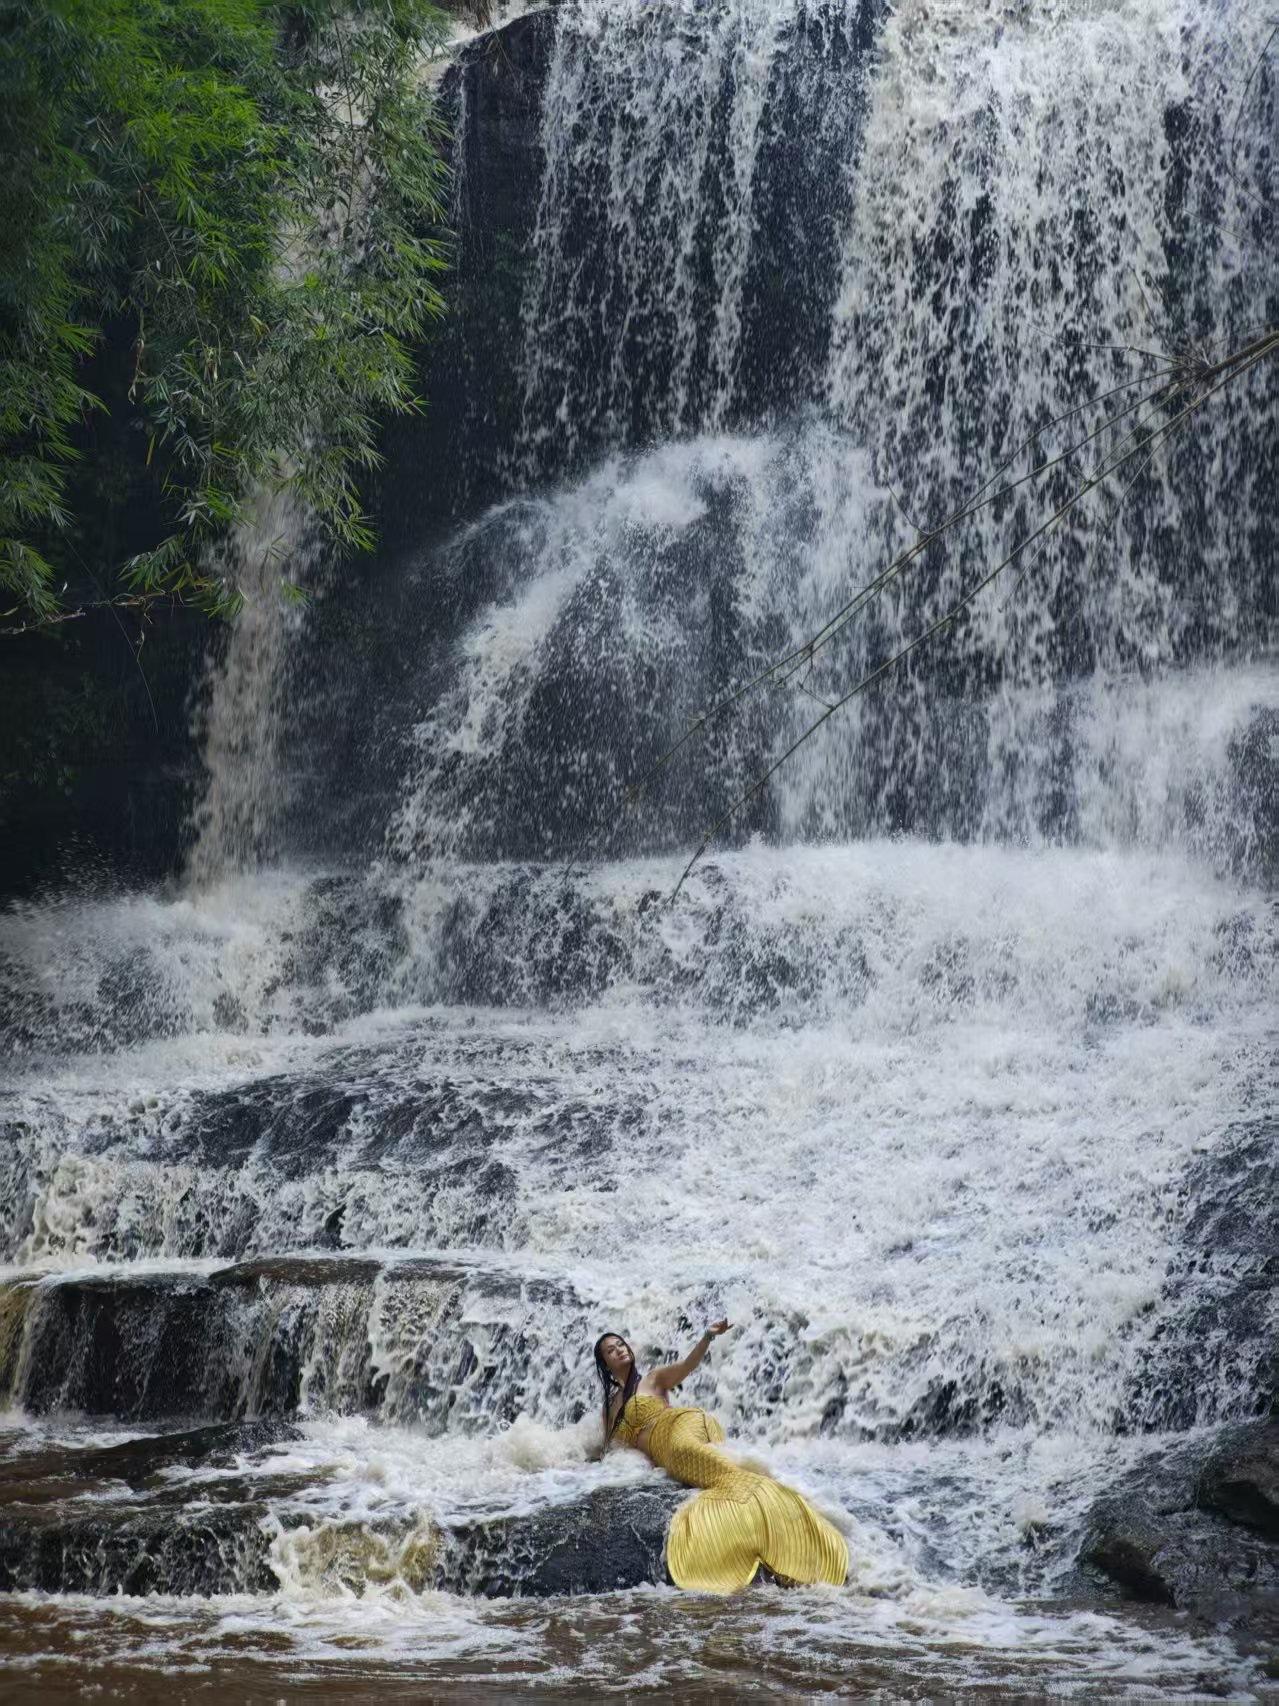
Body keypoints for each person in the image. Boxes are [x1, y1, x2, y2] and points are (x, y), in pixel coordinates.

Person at [592, 1323, 848, 1595]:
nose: (619, 1350)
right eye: (611, 1350)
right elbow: (611, 1450)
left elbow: (687, 1365)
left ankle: (783, 1518)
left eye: (621, 1344)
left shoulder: (652, 1379)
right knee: (702, 1466)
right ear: (605, 1363)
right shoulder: (610, 1408)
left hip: (682, 1427)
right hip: (664, 1451)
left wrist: (707, 1336)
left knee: (712, 1467)